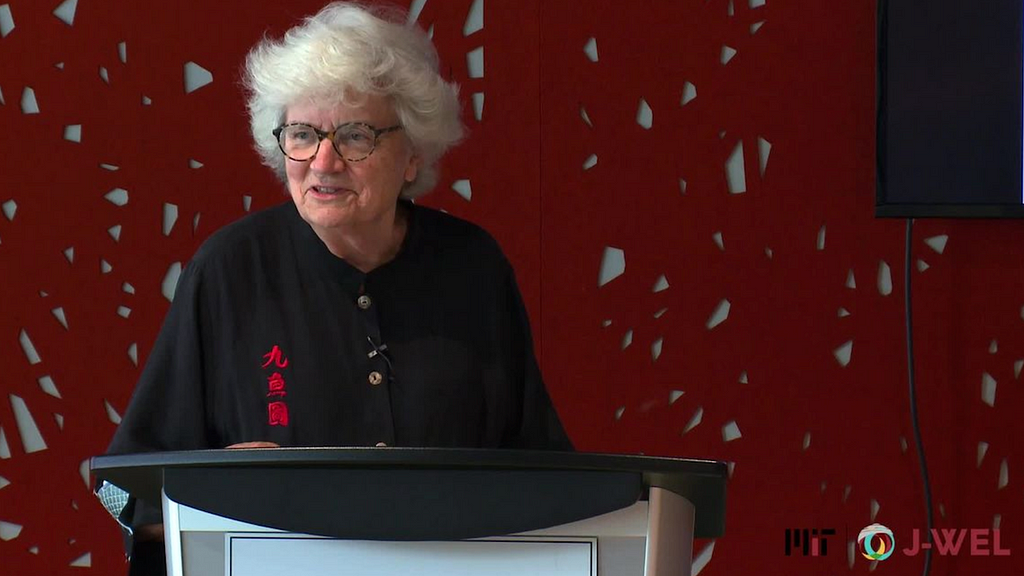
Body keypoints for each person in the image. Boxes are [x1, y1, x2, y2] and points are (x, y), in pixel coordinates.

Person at [103, 2, 572, 573]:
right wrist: (213, 491)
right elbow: (118, 492)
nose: (323, 162)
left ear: (412, 155)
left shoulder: (473, 267)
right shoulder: (229, 269)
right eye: (302, 135)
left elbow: (546, 477)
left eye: (355, 137)